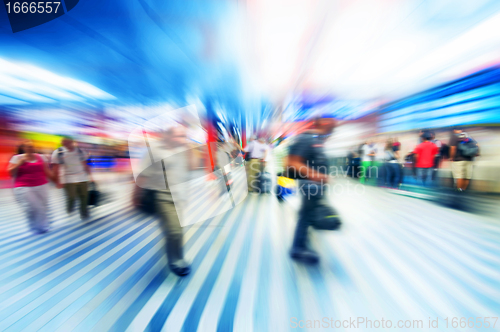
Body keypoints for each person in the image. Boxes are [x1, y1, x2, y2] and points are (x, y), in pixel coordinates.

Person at [133, 126, 193, 277]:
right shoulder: (155, 151)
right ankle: (176, 262)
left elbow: (191, 167)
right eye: (179, 136)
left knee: (172, 230)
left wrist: (190, 149)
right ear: (168, 136)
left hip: (180, 196)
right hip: (163, 197)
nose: (182, 139)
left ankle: (173, 253)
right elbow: (143, 175)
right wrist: (134, 195)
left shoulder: (183, 151)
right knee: (175, 231)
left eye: (184, 136)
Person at [287, 117, 336, 264]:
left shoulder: (317, 140)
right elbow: (292, 162)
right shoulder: (306, 139)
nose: (334, 128)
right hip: (310, 185)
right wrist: (316, 175)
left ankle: (300, 245)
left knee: (306, 215)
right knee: (306, 216)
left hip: (314, 186)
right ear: (325, 123)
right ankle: (298, 248)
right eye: (333, 125)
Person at [8, 141, 54, 233]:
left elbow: (46, 171)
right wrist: (19, 163)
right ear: (24, 148)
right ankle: (37, 226)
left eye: (32, 146)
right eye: (28, 147)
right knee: (33, 207)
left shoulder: (41, 157)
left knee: (42, 207)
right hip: (23, 186)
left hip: (41, 185)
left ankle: (41, 226)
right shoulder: (17, 158)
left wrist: (56, 180)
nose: (30, 148)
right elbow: (10, 172)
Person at [51, 137, 92, 221]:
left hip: (82, 178)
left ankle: (84, 213)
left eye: (67, 141)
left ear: (72, 142)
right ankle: (69, 209)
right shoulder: (58, 152)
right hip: (68, 179)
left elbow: (84, 164)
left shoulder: (80, 151)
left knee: (84, 196)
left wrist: (91, 176)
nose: (65, 143)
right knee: (71, 197)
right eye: (64, 142)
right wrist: (57, 181)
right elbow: (56, 168)